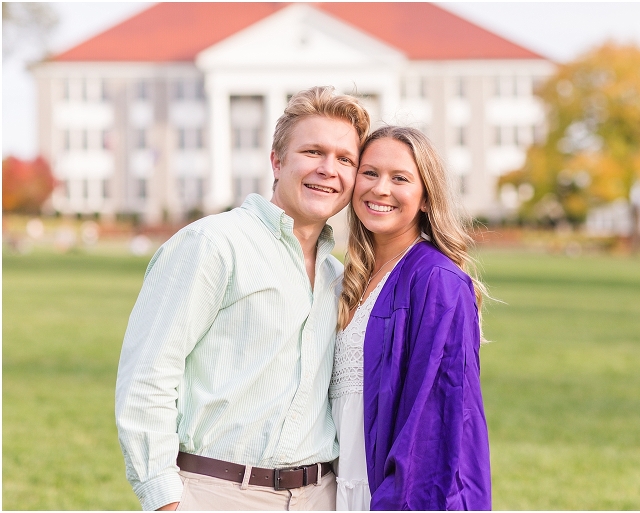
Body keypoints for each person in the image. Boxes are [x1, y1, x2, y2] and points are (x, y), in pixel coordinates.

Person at [115, 86, 370, 511]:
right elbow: (148, 376)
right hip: (217, 493)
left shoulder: (337, 278)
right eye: (313, 152)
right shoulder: (212, 245)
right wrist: (165, 500)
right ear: (276, 160)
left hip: (319, 496)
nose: (329, 169)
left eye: (345, 159)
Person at [331, 126, 492, 510]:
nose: (380, 189)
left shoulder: (437, 281)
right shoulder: (350, 279)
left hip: (392, 496)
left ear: (424, 198)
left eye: (400, 178)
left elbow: (433, 424)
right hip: (339, 487)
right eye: (369, 173)